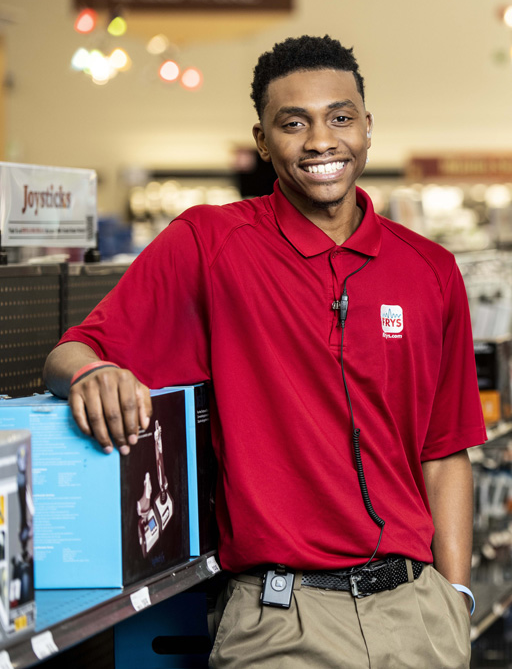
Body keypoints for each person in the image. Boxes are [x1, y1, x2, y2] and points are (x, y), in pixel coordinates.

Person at [43, 35, 484, 668]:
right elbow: (71, 352)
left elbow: (445, 452)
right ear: (262, 140)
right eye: (293, 123)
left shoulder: (430, 271)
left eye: (340, 117)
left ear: (367, 129)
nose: (321, 141)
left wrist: (456, 597)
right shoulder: (210, 245)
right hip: (282, 620)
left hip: (418, 613)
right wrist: (95, 372)